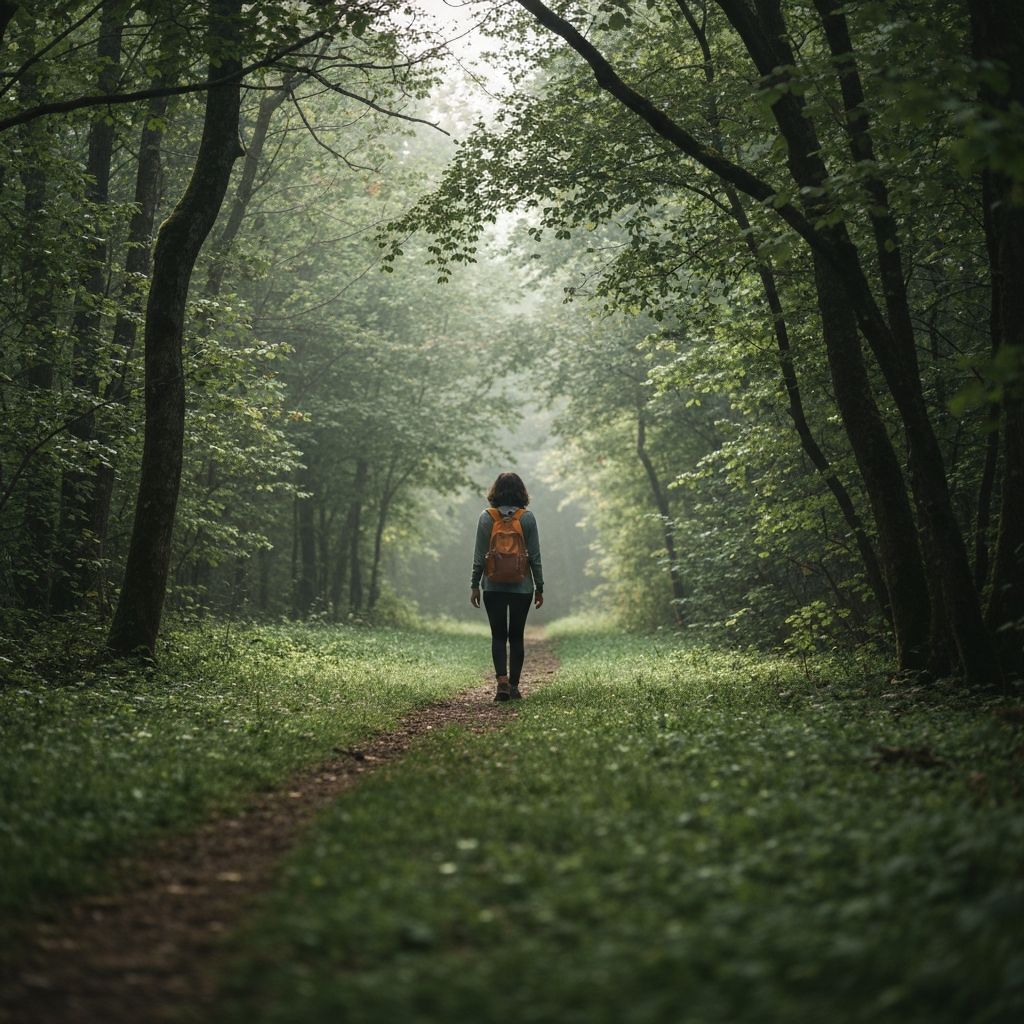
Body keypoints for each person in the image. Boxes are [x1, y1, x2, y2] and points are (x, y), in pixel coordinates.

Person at [471, 472, 544, 701]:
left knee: (498, 636)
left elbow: (479, 556)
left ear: (495, 491)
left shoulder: (486, 517)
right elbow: (535, 556)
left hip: (492, 585)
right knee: (517, 636)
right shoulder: (527, 518)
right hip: (522, 587)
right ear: (521, 491)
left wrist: (474, 584)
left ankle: (501, 682)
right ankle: (514, 687)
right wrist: (539, 586)